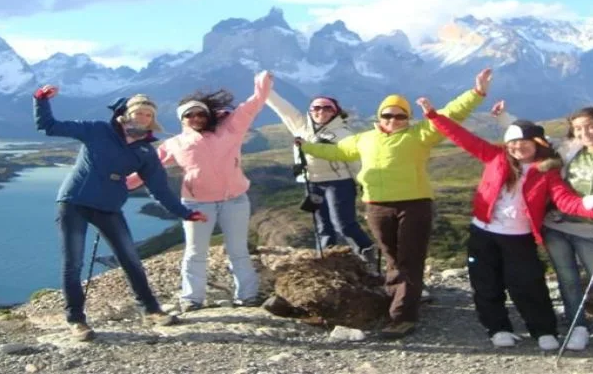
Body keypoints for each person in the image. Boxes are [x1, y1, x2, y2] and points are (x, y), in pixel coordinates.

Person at [296, 69, 493, 338]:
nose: (394, 120)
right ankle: (397, 301)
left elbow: (451, 113)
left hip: (414, 205)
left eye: (400, 115)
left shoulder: (421, 133)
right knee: (391, 258)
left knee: (409, 259)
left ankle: (402, 316)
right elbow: (336, 151)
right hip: (377, 206)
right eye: (388, 115)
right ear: (379, 117)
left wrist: (477, 92)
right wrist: (305, 147)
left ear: (408, 117)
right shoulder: (364, 139)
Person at [415, 97, 593, 351]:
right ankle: (497, 328)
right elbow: (462, 138)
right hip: (483, 233)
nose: (518, 147)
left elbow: (567, 202)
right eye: (513, 143)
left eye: (524, 142)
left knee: (528, 284)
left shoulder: (547, 171)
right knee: (486, 284)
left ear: (537, 143)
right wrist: (434, 116)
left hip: (518, 237)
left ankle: (543, 330)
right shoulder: (495, 157)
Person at [33, 84, 207, 342]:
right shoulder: (97, 130)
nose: (143, 118)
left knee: (130, 258)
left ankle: (151, 310)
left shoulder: (146, 151)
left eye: (148, 115)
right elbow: (50, 126)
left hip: (109, 207)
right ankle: (76, 320)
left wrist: (185, 213)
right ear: (126, 113)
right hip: (75, 202)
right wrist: (41, 100)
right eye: (139, 112)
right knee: (74, 263)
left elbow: (159, 189)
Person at [494, 103, 593, 351]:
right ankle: (577, 327)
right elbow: (532, 135)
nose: (584, 132)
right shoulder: (569, 149)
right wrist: (504, 117)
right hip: (556, 226)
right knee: (567, 280)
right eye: (578, 128)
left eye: (591, 126)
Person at [127, 71, 273, 312]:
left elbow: (251, 107)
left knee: (238, 250)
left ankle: (247, 296)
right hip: (197, 204)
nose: (195, 117)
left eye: (199, 113)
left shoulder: (229, 130)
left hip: (235, 200)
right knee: (196, 252)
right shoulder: (174, 144)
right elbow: (148, 169)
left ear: (207, 115)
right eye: (189, 115)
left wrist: (262, 86)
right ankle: (192, 298)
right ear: (181, 119)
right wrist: (120, 185)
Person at [265, 90, 375, 262]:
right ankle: (326, 259)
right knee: (322, 226)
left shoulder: (343, 133)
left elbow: (354, 161)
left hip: (339, 183)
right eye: (316, 108)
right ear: (310, 110)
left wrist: (363, 183)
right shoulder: (301, 127)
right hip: (312, 183)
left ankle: (367, 254)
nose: (321, 111)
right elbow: (284, 110)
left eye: (327, 108)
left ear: (335, 112)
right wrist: (266, 91)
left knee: (343, 224)